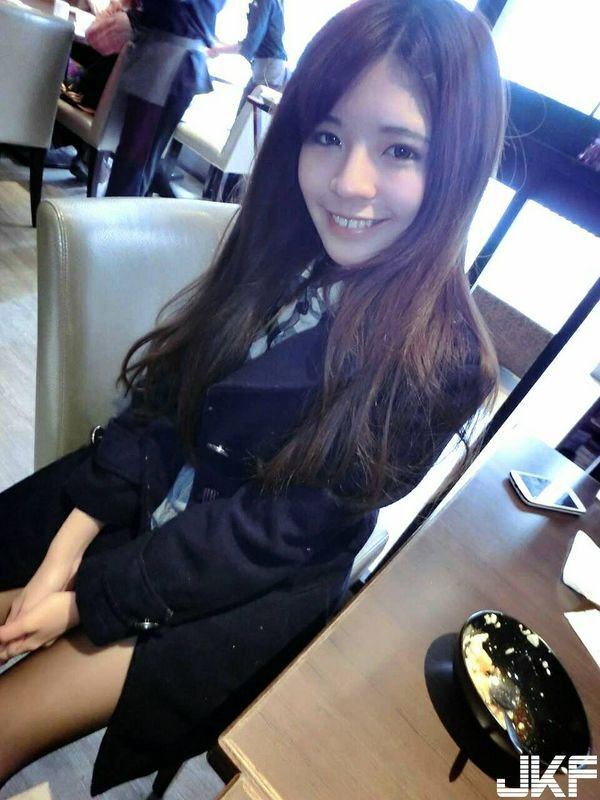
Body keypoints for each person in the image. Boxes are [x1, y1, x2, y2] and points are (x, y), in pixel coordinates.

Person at [0, 0, 506, 793]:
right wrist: (64, 553)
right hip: (149, 488)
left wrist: (77, 603)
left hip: (234, 587)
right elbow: (164, 396)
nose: (350, 182)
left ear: (459, 163)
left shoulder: (440, 366)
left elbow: (259, 539)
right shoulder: (282, 244)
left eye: (400, 149)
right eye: (327, 135)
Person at [85, 0, 226, 196]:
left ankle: (119, 212)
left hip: (167, 63)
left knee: (133, 164)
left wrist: (134, 18)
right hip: (170, 58)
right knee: (135, 162)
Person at [208, 0, 287, 111]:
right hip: (268, 66)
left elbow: (250, 44)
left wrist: (216, 50)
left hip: (269, 68)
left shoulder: (264, 2)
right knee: (247, 111)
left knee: (247, 113)